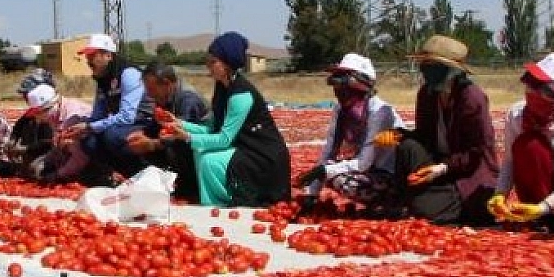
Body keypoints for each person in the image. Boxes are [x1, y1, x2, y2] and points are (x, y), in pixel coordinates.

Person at [159, 32, 291, 207]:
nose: (208, 65)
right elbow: (212, 128)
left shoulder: (240, 95)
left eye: (213, 61)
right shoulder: (222, 87)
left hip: (262, 156)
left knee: (209, 161)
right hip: (245, 146)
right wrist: (179, 124)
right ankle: (214, 201)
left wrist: (187, 137)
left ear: (228, 65)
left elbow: (224, 139)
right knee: (200, 152)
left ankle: (225, 202)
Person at [394, 36, 498, 225]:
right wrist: (401, 135)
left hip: (468, 176)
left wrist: (443, 168)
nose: (426, 71)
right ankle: (412, 198)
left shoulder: (472, 98)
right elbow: (424, 136)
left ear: (453, 71)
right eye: (424, 65)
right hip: (438, 167)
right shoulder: (427, 94)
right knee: (407, 146)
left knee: (424, 210)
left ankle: (453, 205)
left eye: (433, 66)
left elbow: (476, 153)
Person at [487, 52, 554, 230]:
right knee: (530, 146)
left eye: (544, 90)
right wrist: (500, 194)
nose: (534, 94)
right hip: (537, 189)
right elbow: (509, 161)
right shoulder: (516, 115)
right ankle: (541, 219)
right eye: (531, 85)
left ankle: (548, 218)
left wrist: (544, 207)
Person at [295, 53, 405, 215]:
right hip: (369, 171)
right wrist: (312, 193)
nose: (339, 92)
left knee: (341, 180)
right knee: (332, 173)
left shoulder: (379, 112)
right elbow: (329, 150)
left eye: (344, 86)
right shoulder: (340, 110)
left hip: (391, 173)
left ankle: (391, 203)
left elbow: (363, 163)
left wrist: (325, 171)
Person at [58, 34, 157, 180]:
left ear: (108, 55)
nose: (88, 60)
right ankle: (116, 172)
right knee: (88, 140)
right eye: (87, 56)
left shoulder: (128, 74)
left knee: (111, 135)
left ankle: (143, 170)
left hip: (145, 123)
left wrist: (90, 127)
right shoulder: (102, 79)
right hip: (123, 125)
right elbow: (98, 115)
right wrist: (82, 129)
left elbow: (127, 117)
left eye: (93, 55)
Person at [123, 63, 210, 171]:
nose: (149, 94)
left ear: (167, 84)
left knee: (173, 150)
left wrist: (153, 144)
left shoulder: (188, 99)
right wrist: (143, 133)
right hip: (178, 141)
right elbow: (157, 124)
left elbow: (181, 136)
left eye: (151, 89)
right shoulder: (164, 96)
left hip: (198, 148)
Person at [13, 84, 95, 183]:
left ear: (49, 107)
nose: (37, 117)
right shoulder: (54, 114)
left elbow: (80, 157)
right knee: (37, 167)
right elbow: (57, 146)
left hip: (93, 158)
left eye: (39, 113)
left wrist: (58, 175)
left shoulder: (72, 118)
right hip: (71, 155)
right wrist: (45, 161)